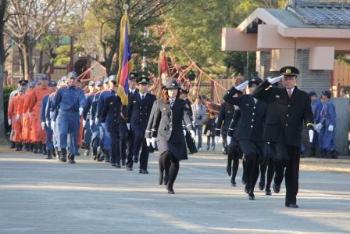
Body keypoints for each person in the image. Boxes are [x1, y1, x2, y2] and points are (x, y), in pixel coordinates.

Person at [253, 66, 314, 208]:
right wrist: (268, 82)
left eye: (291, 78)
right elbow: (256, 93)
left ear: (295, 80)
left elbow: (308, 114)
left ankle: (291, 200)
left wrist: (310, 126)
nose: (288, 81)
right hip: (277, 135)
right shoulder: (274, 92)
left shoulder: (303, 96)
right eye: (285, 78)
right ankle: (277, 178)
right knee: (280, 158)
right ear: (282, 80)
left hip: (294, 137)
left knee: (293, 171)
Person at [224, 77, 267, 200]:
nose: (253, 89)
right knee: (250, 155)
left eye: (255, 86)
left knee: (258, 161)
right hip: (244, 136)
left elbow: (268, 119)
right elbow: (227, 98)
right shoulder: (243, 99)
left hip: (259, 137)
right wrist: (238, 87)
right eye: (250, 86)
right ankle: (246, 177)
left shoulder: (265, 102)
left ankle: (251, 187)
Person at [148, 79, 194, 194]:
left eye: (175, 90)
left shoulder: (182, 103)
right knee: (166, 153)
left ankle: (170, 185)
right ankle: (162, 171)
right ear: (166, 91)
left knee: (175, 161)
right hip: (163, 134)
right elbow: (154, 119)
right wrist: (150, 134)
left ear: (178, 91)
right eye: (170, 90)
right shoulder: (159, 102)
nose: (172, 92)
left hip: (177, 134)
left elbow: (186, 116)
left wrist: (190, 128)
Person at [53, 72, 86, 163]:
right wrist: (52, 114)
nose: (72, 80)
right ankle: (62, 151)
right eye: (71, 78)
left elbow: (83, 99)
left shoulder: (79, 91)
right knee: (62, 133)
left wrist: (81, 107)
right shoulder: (61, 90)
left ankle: (71, 154)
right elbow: (55, 102)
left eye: (74, 79)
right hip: (64, 114)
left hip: (74, 114)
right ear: (67, 79)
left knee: (73, 135)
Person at [127, 74, 156, 173]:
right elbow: (128, 110)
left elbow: (155, 112)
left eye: (146, 85)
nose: (144, 86)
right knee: (133, 142)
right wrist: (127, 122)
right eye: (142, 84)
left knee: (146, 146)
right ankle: (130, 161)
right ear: (138, 86)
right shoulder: (132, 96)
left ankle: (143, 167)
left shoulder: (152, 98)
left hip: (147, 124)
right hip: (135, 124)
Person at [27, 75, 54, 154]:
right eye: (43, 80)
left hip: (48, 112)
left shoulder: (51, 90)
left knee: (47, 130)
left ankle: (45, 147)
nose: (44, 82)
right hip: (38, 112)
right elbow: (31, 101)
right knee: (38, 130)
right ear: (40, 81)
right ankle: (37, 146)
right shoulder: (35, 90)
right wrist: (30, 110)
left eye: (46, 80)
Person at [100, 79, 122, 168]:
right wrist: (102, 120)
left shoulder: (124, 98)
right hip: (111, 123)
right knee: (114, 142)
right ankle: (114, 159)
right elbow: (104, 111)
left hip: (121, 123)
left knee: (120, 142)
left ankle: (119, 159)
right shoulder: (108, 98)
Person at [318, 90, 337, 158]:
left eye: (323, 95)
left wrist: (331, 124)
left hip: (329, 124)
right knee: (327, 138)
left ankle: (328, 152)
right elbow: (324, 116)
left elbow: (332, 115)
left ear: (326, 96)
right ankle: (332, 152)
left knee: (327, 138)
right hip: (326, 124)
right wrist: (321, 123)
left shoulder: (329, 104)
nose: (322, 96)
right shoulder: (325, 104)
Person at [309, 91, 322, 157]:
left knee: (317, 138)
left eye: (311, 97)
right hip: (312, 123)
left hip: (317, 124)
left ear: (314, 96)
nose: (310, 98)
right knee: (312, 138)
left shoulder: (318, 104)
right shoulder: (311, 103)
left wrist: (316, 122)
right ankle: (313, 152)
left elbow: (319, 114)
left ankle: (318, 153)